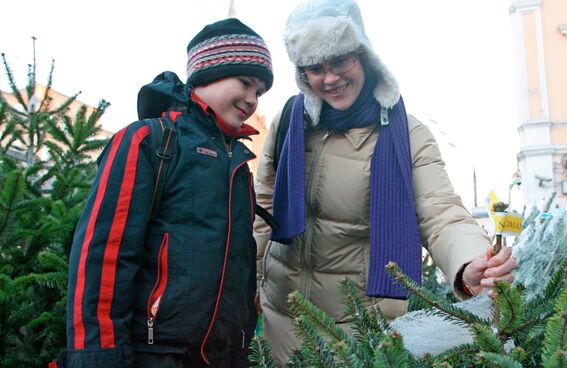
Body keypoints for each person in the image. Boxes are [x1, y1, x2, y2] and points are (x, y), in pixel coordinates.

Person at [252, 0, 517, 363]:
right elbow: (263, 209)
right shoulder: (289, 122)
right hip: (280, 319)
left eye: (340, 61)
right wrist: (247, 283)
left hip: (361, 328)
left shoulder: (408, 134)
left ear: (363, 56)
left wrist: (470, 262)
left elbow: (441, 214)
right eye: (315, 67)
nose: (329, 78)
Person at [55, 18, 273, 368]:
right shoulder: (149, 142)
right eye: (245, 83)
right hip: (151, 352)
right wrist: (97, 357)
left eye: (260, 92)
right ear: (205, 75)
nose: (252, 100)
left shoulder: (237, 167)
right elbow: (102, 254)